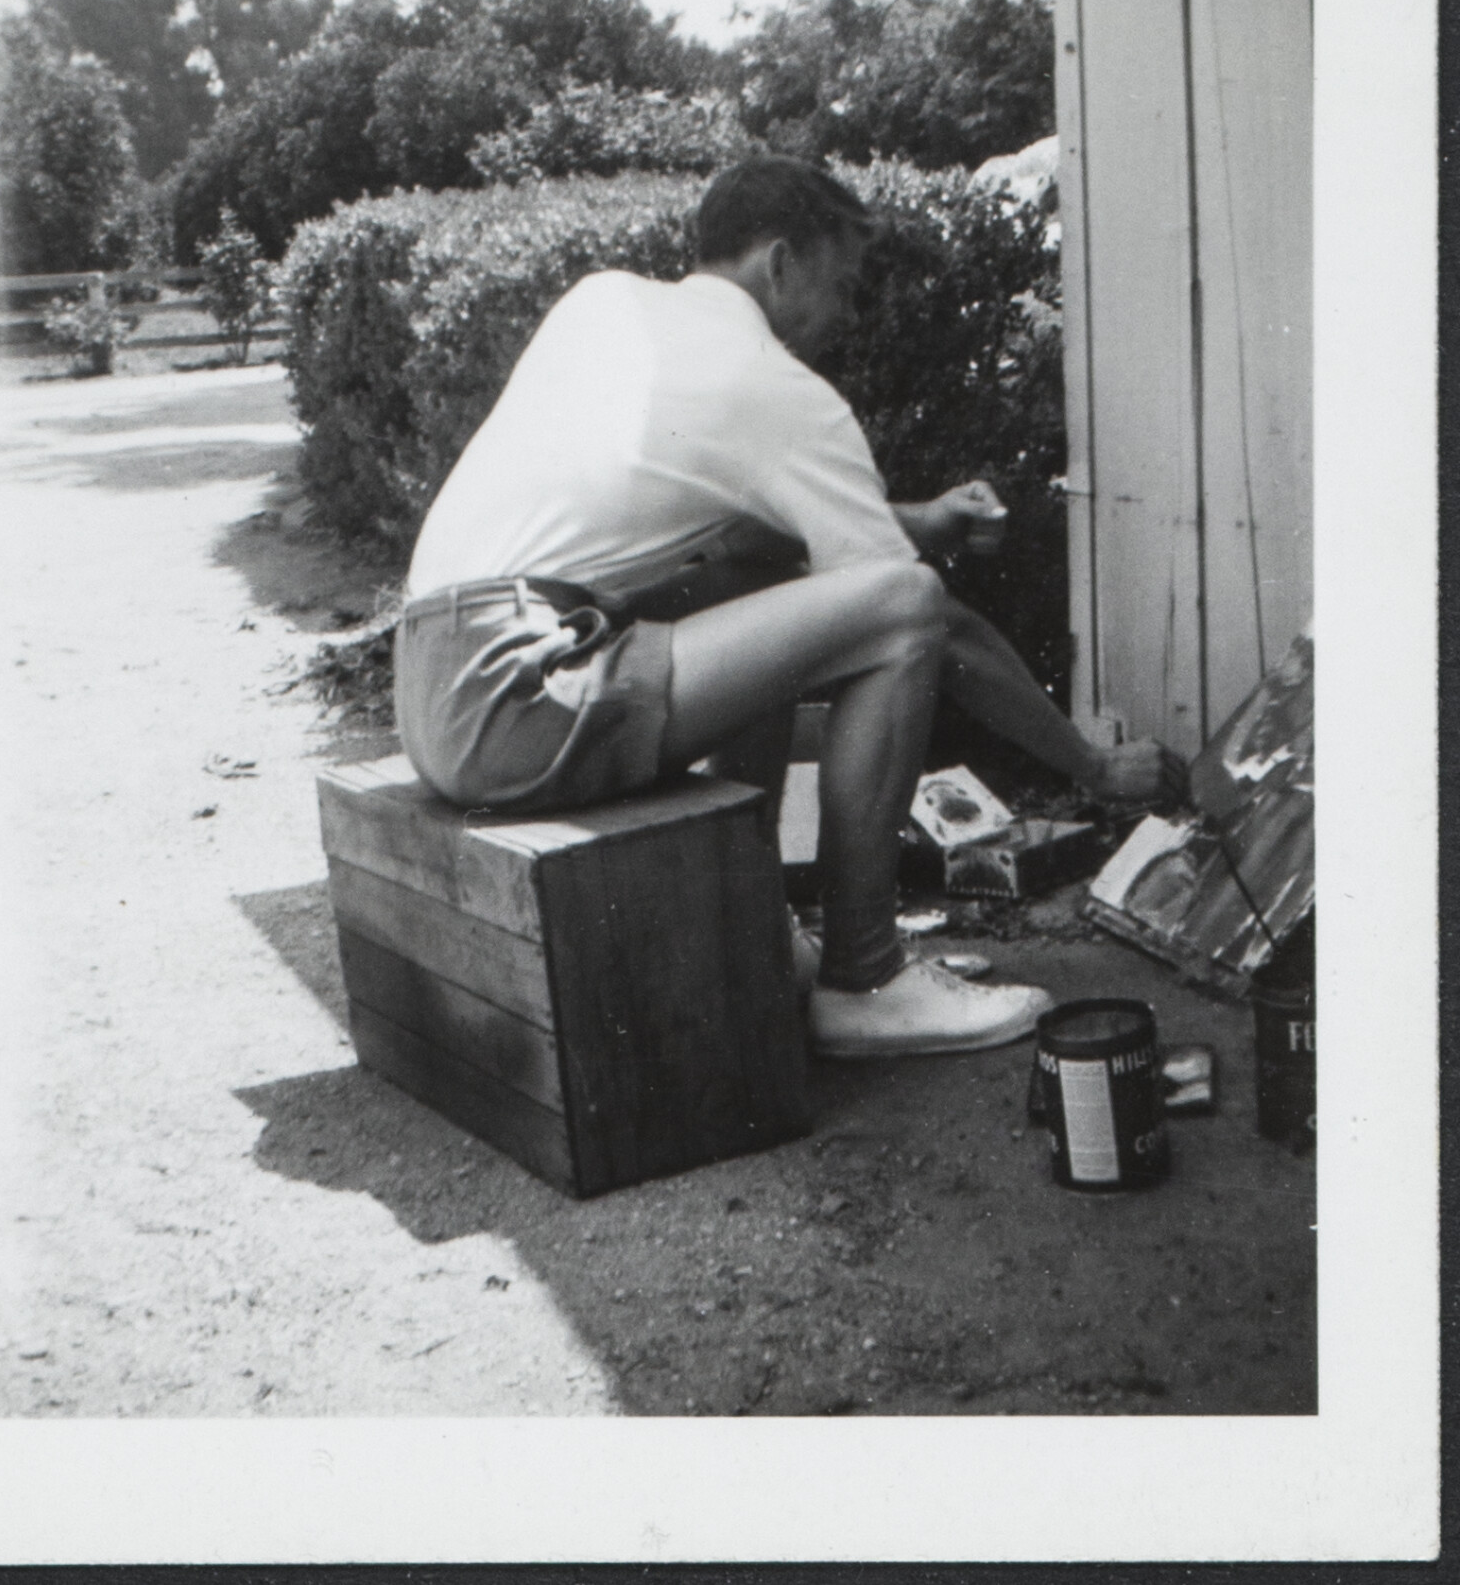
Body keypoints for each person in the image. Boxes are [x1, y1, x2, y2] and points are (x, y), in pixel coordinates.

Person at [396, 156, 1187, 1057]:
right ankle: (867, 975)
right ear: (780, 263)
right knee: (907, 605)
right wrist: (1090, 763)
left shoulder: (606, 302)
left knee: (750, 584)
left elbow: (752, 539)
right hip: (520, 699)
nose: (846, 318)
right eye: (841, 287)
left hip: (437, 683)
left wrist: (923, 519)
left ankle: (758, 922)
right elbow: (924, 618)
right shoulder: (772, 387)